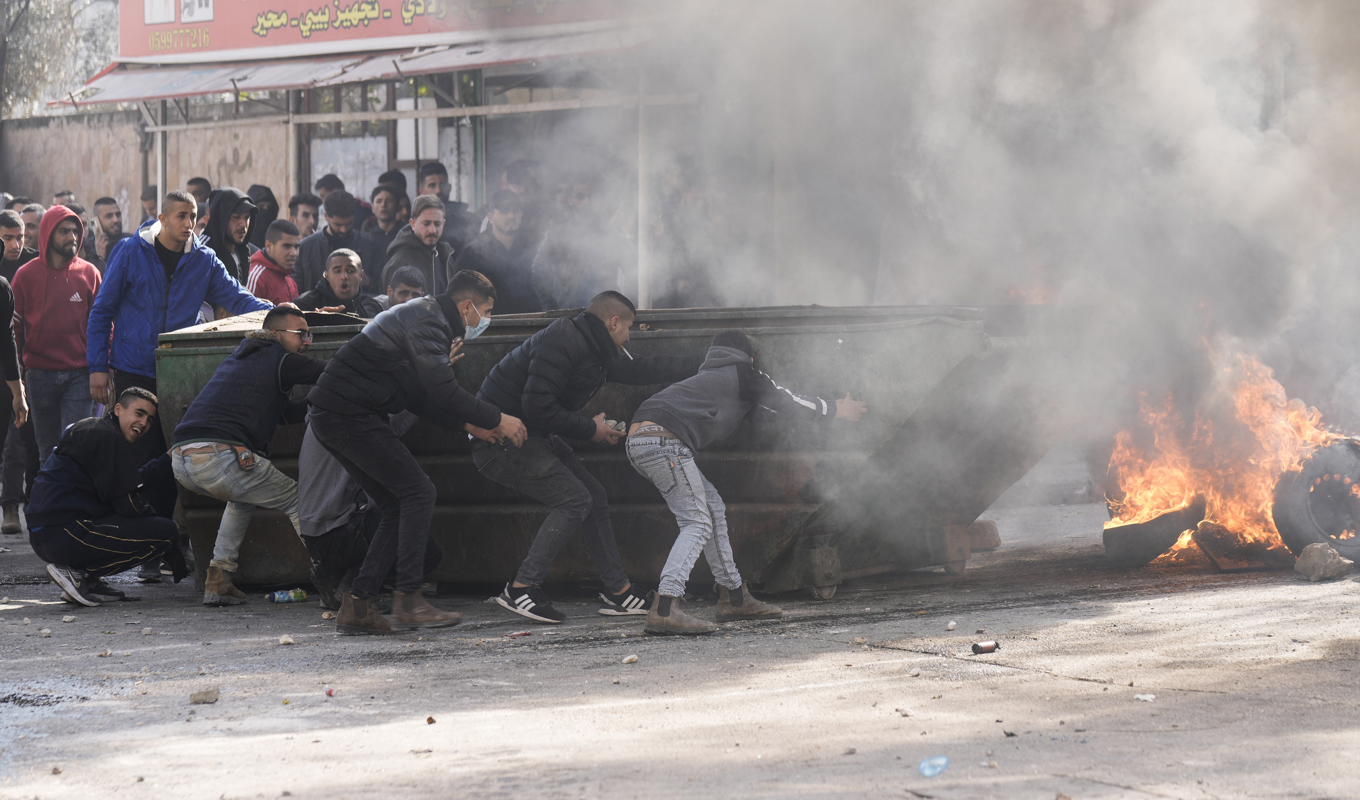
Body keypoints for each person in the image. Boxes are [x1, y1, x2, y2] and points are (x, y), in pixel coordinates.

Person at [308, 269, 528, 634]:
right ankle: (408, 601)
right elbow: (444, 392)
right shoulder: (429, 321)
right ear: (467, 305)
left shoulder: (425, 316)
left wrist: (470, 425)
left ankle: (358, 605)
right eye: (486, 312)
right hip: (348, 414)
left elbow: (418, 396)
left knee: (397, 503)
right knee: (418, 492)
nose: (486, 321)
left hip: (339, 413)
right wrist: (497, 418)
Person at [473, 291, 701, 623]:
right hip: (500, 440)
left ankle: (618, 591)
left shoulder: (599, 349)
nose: (629, 337)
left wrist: (705, 361)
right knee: (575, 500)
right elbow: (537, 404)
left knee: (593, 496)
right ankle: (522, 587)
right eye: (628, 329)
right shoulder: (564, 339)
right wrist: (588, 429)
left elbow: (645, 370)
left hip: (533, 434)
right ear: (613, 322)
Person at [627, 331, 868, 633]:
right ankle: (665, 607)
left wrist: (825, 408)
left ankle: (735, 598)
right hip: (664, 442)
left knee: (712, 509)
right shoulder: (742, 372)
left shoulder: (713, 379)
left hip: (642, 439)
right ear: (750, 358)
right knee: (698, 522)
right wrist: (835, 409)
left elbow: (766, 411)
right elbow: (785, 400)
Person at [86, 190, 272, 452]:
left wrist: (280, 313)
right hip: (133, 369)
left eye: (193, 216)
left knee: (175, 450)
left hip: (179, 372)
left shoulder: (203, 259)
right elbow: (102, 311)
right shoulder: (129, 252)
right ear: (162, 218)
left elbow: (239, 298)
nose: (188, 224)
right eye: (181, 216)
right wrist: (97, 368)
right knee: (131, 448)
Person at [171, 307, 324, 606]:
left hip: (181, 460)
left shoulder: (243, 359)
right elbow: (331, 371)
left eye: (310, 334)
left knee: (242, 499)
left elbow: (286, 415)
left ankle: (218, 580)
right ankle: (333, 576)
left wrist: (318, 405)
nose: (308, 341)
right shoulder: (280, 359)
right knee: (298, 500)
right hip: (220, 457)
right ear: (277, 334)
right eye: (301, 335)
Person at [28, 386, 182, 607]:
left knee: (149, 525)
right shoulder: (108, 436)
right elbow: (128, 504)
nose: (144, 423)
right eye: (139, 414)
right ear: (118, 409)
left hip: (46, 536)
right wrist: (171, 543)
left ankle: (86, 579)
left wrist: (167, 458)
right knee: (166, 532)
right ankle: (75, 572)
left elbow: (127, 483)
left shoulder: (97, 429)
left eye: (149, 420)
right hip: (64, 534)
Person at [11, 205, 101, 461]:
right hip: (39, 376)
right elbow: (13, 330)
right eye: (63, 231)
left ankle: (75, 502)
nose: (72, 237)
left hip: (80, 375)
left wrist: (101, 368)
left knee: (77, 448)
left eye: (75, 231)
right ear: (48, 233)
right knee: (47, 451)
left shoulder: (89, 273)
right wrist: (18, 378)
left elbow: (102, 324)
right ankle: (53, 502)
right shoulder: (25, 275)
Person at [533, 177, 632, 311]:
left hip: (606, 314)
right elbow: (539, 269)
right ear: (571, 200)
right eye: (581, 197)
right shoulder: (556, 235)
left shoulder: (612, 234)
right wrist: (551, 307)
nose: (587, 202)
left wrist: (625, 306)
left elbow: (633, 269)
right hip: (570, 313)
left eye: (591, 197)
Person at [0, 210, 38, 536]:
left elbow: (8, 337)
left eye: (19, 237)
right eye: (7, 238)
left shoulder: (34, 267)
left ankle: (19, 505)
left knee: (21, 441)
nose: (14, 244)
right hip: (12, 369)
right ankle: (9, 505)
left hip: (24, 367)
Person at [451, 189, 538, 313]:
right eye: (504, 210)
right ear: (490, 217)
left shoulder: (531, 252)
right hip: (488, 328)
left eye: (516, 211)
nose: (511, 216)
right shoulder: (472, 254)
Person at [295, 190, 376, 292]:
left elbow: (381, 285)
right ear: (326, 217)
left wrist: (368, 282)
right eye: (338, 225)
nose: (344, 229)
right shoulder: (305, 248)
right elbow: (296, 290)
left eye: (349, 223)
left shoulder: (369, 244)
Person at [381, 194, 449, 296]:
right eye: (426, 224)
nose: (432, 230)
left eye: (437, 224)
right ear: (413, 224)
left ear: (443, 224)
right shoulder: (399, 263)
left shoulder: (447, 257)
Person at [294, 249, 383, 317]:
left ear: (361, 276)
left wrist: (341, 317)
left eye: (351, 271)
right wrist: (315, 319)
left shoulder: (371, 305)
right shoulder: (305, 304)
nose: (344, 276)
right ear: (327, 276)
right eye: (337, 271)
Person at [415, 162, 477, 252]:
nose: (438, 190)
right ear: (422, 191)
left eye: (442, 185)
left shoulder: (469, 221)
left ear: (449, 188)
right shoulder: (414, 226)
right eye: (432, 185)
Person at [203, 188, 258, 283]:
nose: (244, 225)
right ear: (221, 218)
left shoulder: (243, 251)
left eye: (247, 217)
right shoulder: (202, 251)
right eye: (236, 217)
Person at [246, 220, 302, 305]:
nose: (294, 253)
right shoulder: (256, 277)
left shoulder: (289, 279)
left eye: (296, 247)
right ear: (269, 246)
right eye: (287, 246)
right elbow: (246, 316)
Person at [363, 184, 405, 259]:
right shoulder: (366, 239)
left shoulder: (405, 235)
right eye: (379, 201)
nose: (383, 205)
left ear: (398, 207)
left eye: (389, 201)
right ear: (372, 208)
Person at [90, 197, 132, 273]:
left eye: (118, 215)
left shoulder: (131, 241)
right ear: (96, 220)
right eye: (109, 216)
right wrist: (100, 258)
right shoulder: (89, 248)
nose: (116, 220)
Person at [246, 185, 280, 250]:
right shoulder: (243, 236)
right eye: (261, 206)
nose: (266, 210)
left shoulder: (278, 236)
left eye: (270, 207)